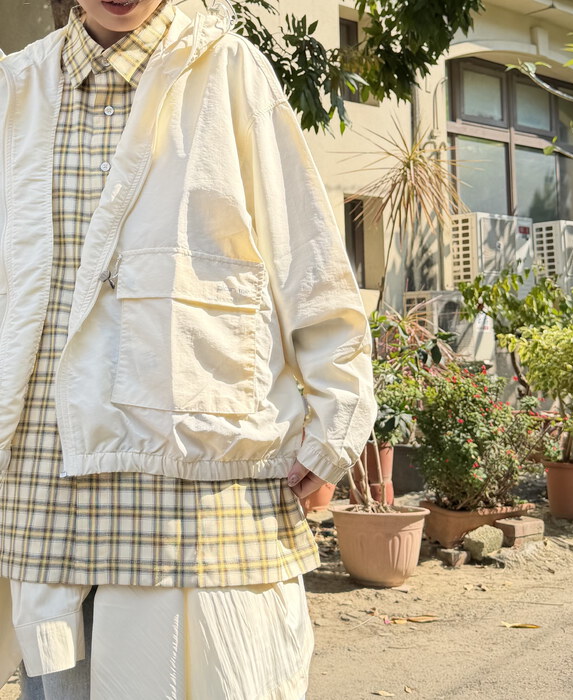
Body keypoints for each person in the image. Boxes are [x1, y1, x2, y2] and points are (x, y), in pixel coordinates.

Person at [0, 0, 376, 697]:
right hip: (43, 474)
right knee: (56, 681)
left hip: (194, 466)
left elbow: (306, 252)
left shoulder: (229, 70)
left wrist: (337, 422)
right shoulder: (16, 87)